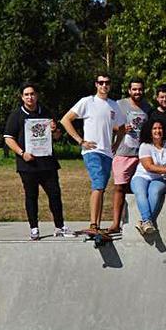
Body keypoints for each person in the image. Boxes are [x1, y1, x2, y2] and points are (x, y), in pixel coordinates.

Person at [60, 73, 127, 233]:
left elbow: (122, 127)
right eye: (101, 82)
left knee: (101, 187)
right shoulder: (87, 101)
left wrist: (116, 144)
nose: (104, 85)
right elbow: (65, 120)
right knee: (98, 185)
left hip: (107, 153)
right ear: (96, 84)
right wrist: (80, 141)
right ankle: (93, 225)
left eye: (107, 83)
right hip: (92, 151)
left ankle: (96, 224)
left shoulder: (113, 105)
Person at [3, 82, 70, 240]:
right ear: (22, 97)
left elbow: (57, 136)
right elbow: (8, 138)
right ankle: (34, 228)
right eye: (26, 94)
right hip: (28, 164)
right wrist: (22, 153)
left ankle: (59, 226)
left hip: (47, 163)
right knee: (31, 196)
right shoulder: (16, 115)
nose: (30, 97)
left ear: (37, 95)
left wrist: (55, 130)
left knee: (55, 194)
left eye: (32, 94)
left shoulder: (45, 111)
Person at [109, 78, 152, 234]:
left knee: (137, 188)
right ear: (129, 91)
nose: (137, 92)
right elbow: (108, 123)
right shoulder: (120, 104)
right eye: (134, 89)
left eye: (140, 89)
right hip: (123, 153)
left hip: (141, 155)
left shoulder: (148, 107)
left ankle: (133, 221)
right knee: (119, 187)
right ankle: (115, 224)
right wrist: (119, 128)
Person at [130, 119, 166, 235]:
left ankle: (144, 222)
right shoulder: (145, 146)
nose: (158, 131)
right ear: (150, 131)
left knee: (154, 191)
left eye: (160, 128)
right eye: (155, 128)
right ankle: (147, 221)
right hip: (142, 175)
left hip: (162, 178)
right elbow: (149, 167)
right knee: (140, 192)